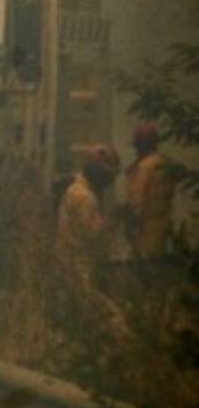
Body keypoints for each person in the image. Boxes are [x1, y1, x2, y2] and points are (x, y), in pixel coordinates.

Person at [57, 144, 131, 339]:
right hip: (78, 268)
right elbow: (92, 237)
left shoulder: (77, 190)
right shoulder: (85, 198)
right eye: (107, 175)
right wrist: (115, 218)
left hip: (73, 265)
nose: (110, 181)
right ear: (97, 173)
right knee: (110, 316)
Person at [125, 122, 176, 261]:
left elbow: (136, 204)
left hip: (145, 231)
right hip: (162, 227)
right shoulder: (165, 164)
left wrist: (128, 224)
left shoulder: (144, 168)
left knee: (145, 271)